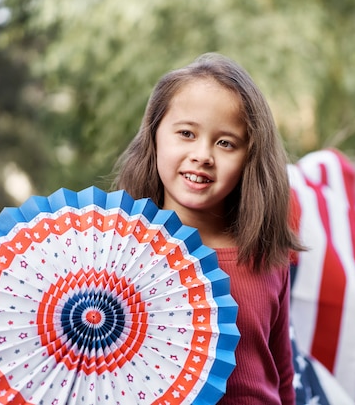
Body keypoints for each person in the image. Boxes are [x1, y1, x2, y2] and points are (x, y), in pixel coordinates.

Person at [112, 52, 303, 404]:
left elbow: (282, 374)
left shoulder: (266, 258)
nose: (203, 155)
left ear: (251, 156)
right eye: (186, 133)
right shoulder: (120, 256)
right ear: (154, 136)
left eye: (226, 142)